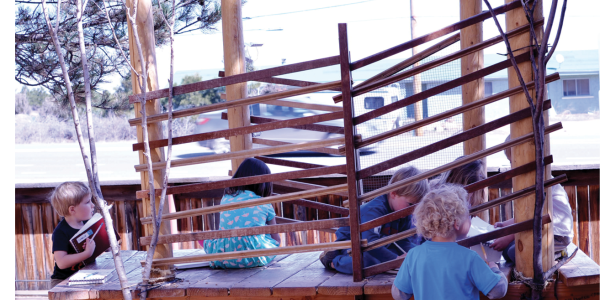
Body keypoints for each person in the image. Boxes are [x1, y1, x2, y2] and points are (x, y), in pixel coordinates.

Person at [392, 185, 508, 300]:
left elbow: (398, 294)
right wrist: (494, 268)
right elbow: (498, 290)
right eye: (468, 216)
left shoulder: (413, 255)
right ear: (457, 223)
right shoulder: (469, 258)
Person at [319, 166, 430, 274]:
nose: (414, 209)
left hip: (380, 243)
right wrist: (396, 260)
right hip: (353, 244)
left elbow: (403, 241)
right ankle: (332, 261)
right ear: (393, 193)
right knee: (368, 261)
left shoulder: (404, 212)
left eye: (417, 205)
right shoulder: (374, 211)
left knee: (416, 253)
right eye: (410, 204)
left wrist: (413, 254)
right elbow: (370, 243)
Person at [490, 135, 574, 262]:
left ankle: (557, 254)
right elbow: (527, 217)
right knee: (508, 252)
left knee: (515, 253)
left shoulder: (540, 181)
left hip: (557, 234)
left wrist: (508, 237)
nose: (512, 166)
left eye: (513, 162)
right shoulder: (530, 180)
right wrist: (505, 225)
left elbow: (531, 219)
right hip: (540, 230)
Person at [204, 158, 281, 268]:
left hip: (224, 257)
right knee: (266, 235)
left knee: (211, 240)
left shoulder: (225, 199)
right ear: (264, 183)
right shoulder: (264, 203)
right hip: (254, 257)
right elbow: (276, 238)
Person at [49, 182, 97, 288]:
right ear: (72, 209)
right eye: (88, 202)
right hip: (63, 282)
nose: (93, 205)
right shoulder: (61, 232)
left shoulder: (88, 224)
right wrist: (87, 253)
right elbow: (61, 262)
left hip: (87, 277)